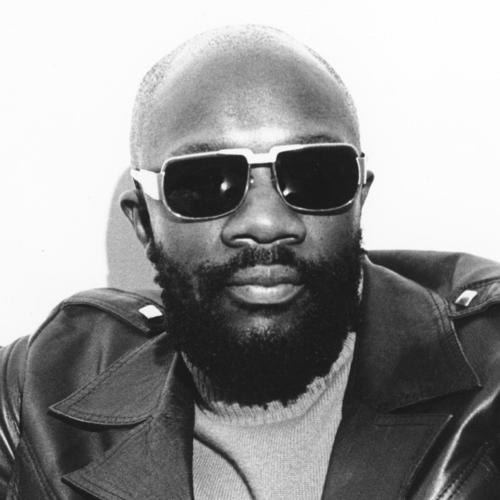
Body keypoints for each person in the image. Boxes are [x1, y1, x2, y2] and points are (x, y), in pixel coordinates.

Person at [1, 25, 500, 500]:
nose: (265, 222)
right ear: (144, 222)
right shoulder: (40, 389)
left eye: (315, 174)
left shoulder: (491, 369)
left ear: (359, 198)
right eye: (204, 182)